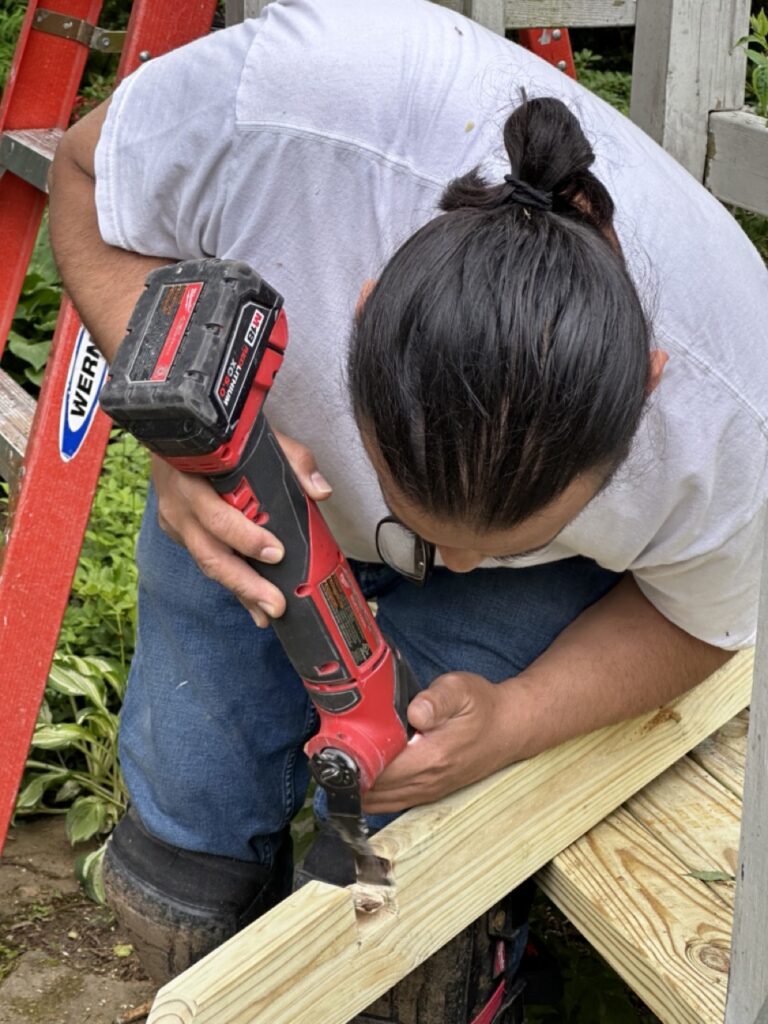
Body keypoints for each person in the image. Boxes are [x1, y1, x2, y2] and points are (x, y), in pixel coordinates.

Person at [48, 0, 768, 1018]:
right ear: (361, 303)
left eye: (500, 539)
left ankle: (456, 971)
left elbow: (707, 618)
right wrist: (188, 434)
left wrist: (518, 719)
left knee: (402, 892)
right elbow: (85, 175)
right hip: (263, 485)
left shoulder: (732, 407)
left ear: (648, 388)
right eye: (417, 510)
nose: (445, 563)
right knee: (181, 850)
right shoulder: (281, 117)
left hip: (552, 586)